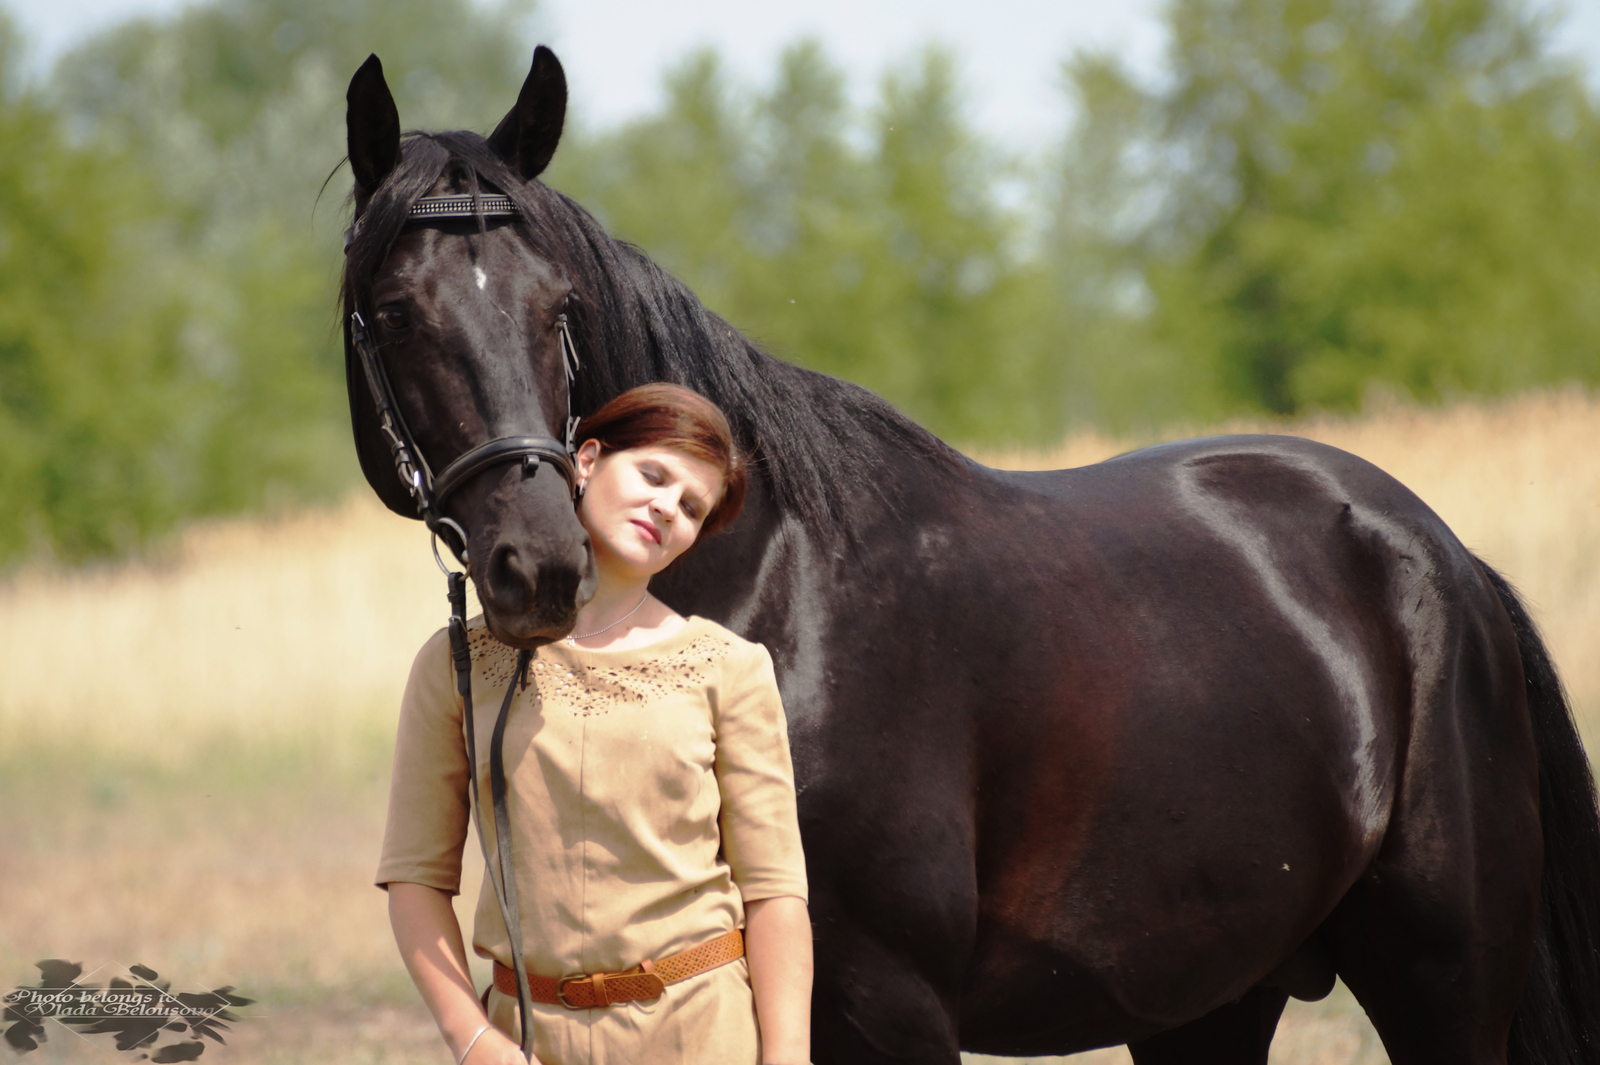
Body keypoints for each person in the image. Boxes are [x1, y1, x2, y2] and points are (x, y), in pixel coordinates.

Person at [374, 383, 812, 1065]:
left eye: (691, 506)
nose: (667, 506)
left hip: (699, 1032)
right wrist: (473, 1039)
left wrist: (787, 1059)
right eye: (654, 474)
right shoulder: (459, 661)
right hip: (525, 1037)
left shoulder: (729, 667)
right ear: (586, 458)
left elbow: (775, 892)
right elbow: (415, 880)